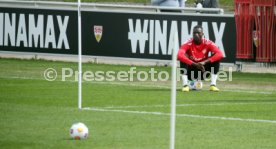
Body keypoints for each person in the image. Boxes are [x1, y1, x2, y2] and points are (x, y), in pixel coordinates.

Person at [177, 25, 223, 92]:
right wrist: (194, 64)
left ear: (202, 34)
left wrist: (204, 62)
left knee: (216, 58)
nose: (196, 34)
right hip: (191, 70)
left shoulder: (208, 43)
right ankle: (185, 85)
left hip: (203, 70)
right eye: (194, 33)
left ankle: (213, 85)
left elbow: (220, 54)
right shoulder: (188, 43)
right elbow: (179, 55)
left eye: (198, 33)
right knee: (183, 58)